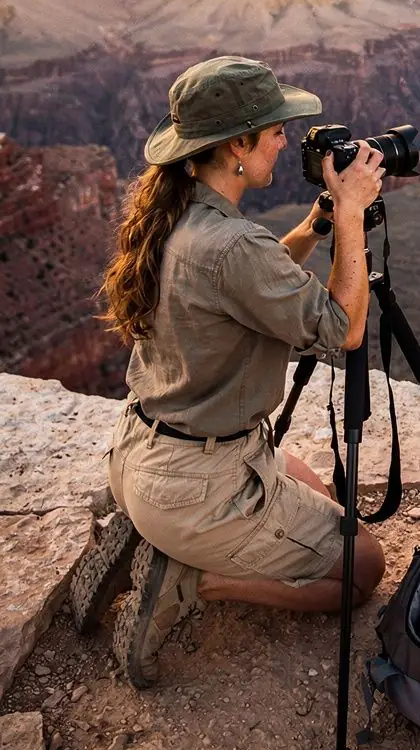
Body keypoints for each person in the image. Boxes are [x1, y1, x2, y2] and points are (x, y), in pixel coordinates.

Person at [71, 55, 386, 688]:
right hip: (197, 486)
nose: (283, 139)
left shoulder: (175, 211)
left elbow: (250, 280)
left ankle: (159, 532)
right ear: (237, 145)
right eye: (273, 128)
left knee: (320, 491)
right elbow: (342, 329)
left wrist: (318, 222)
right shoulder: (233, 246)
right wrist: (352, 213)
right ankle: (194, 578)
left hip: (143, 453)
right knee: (364, 567)